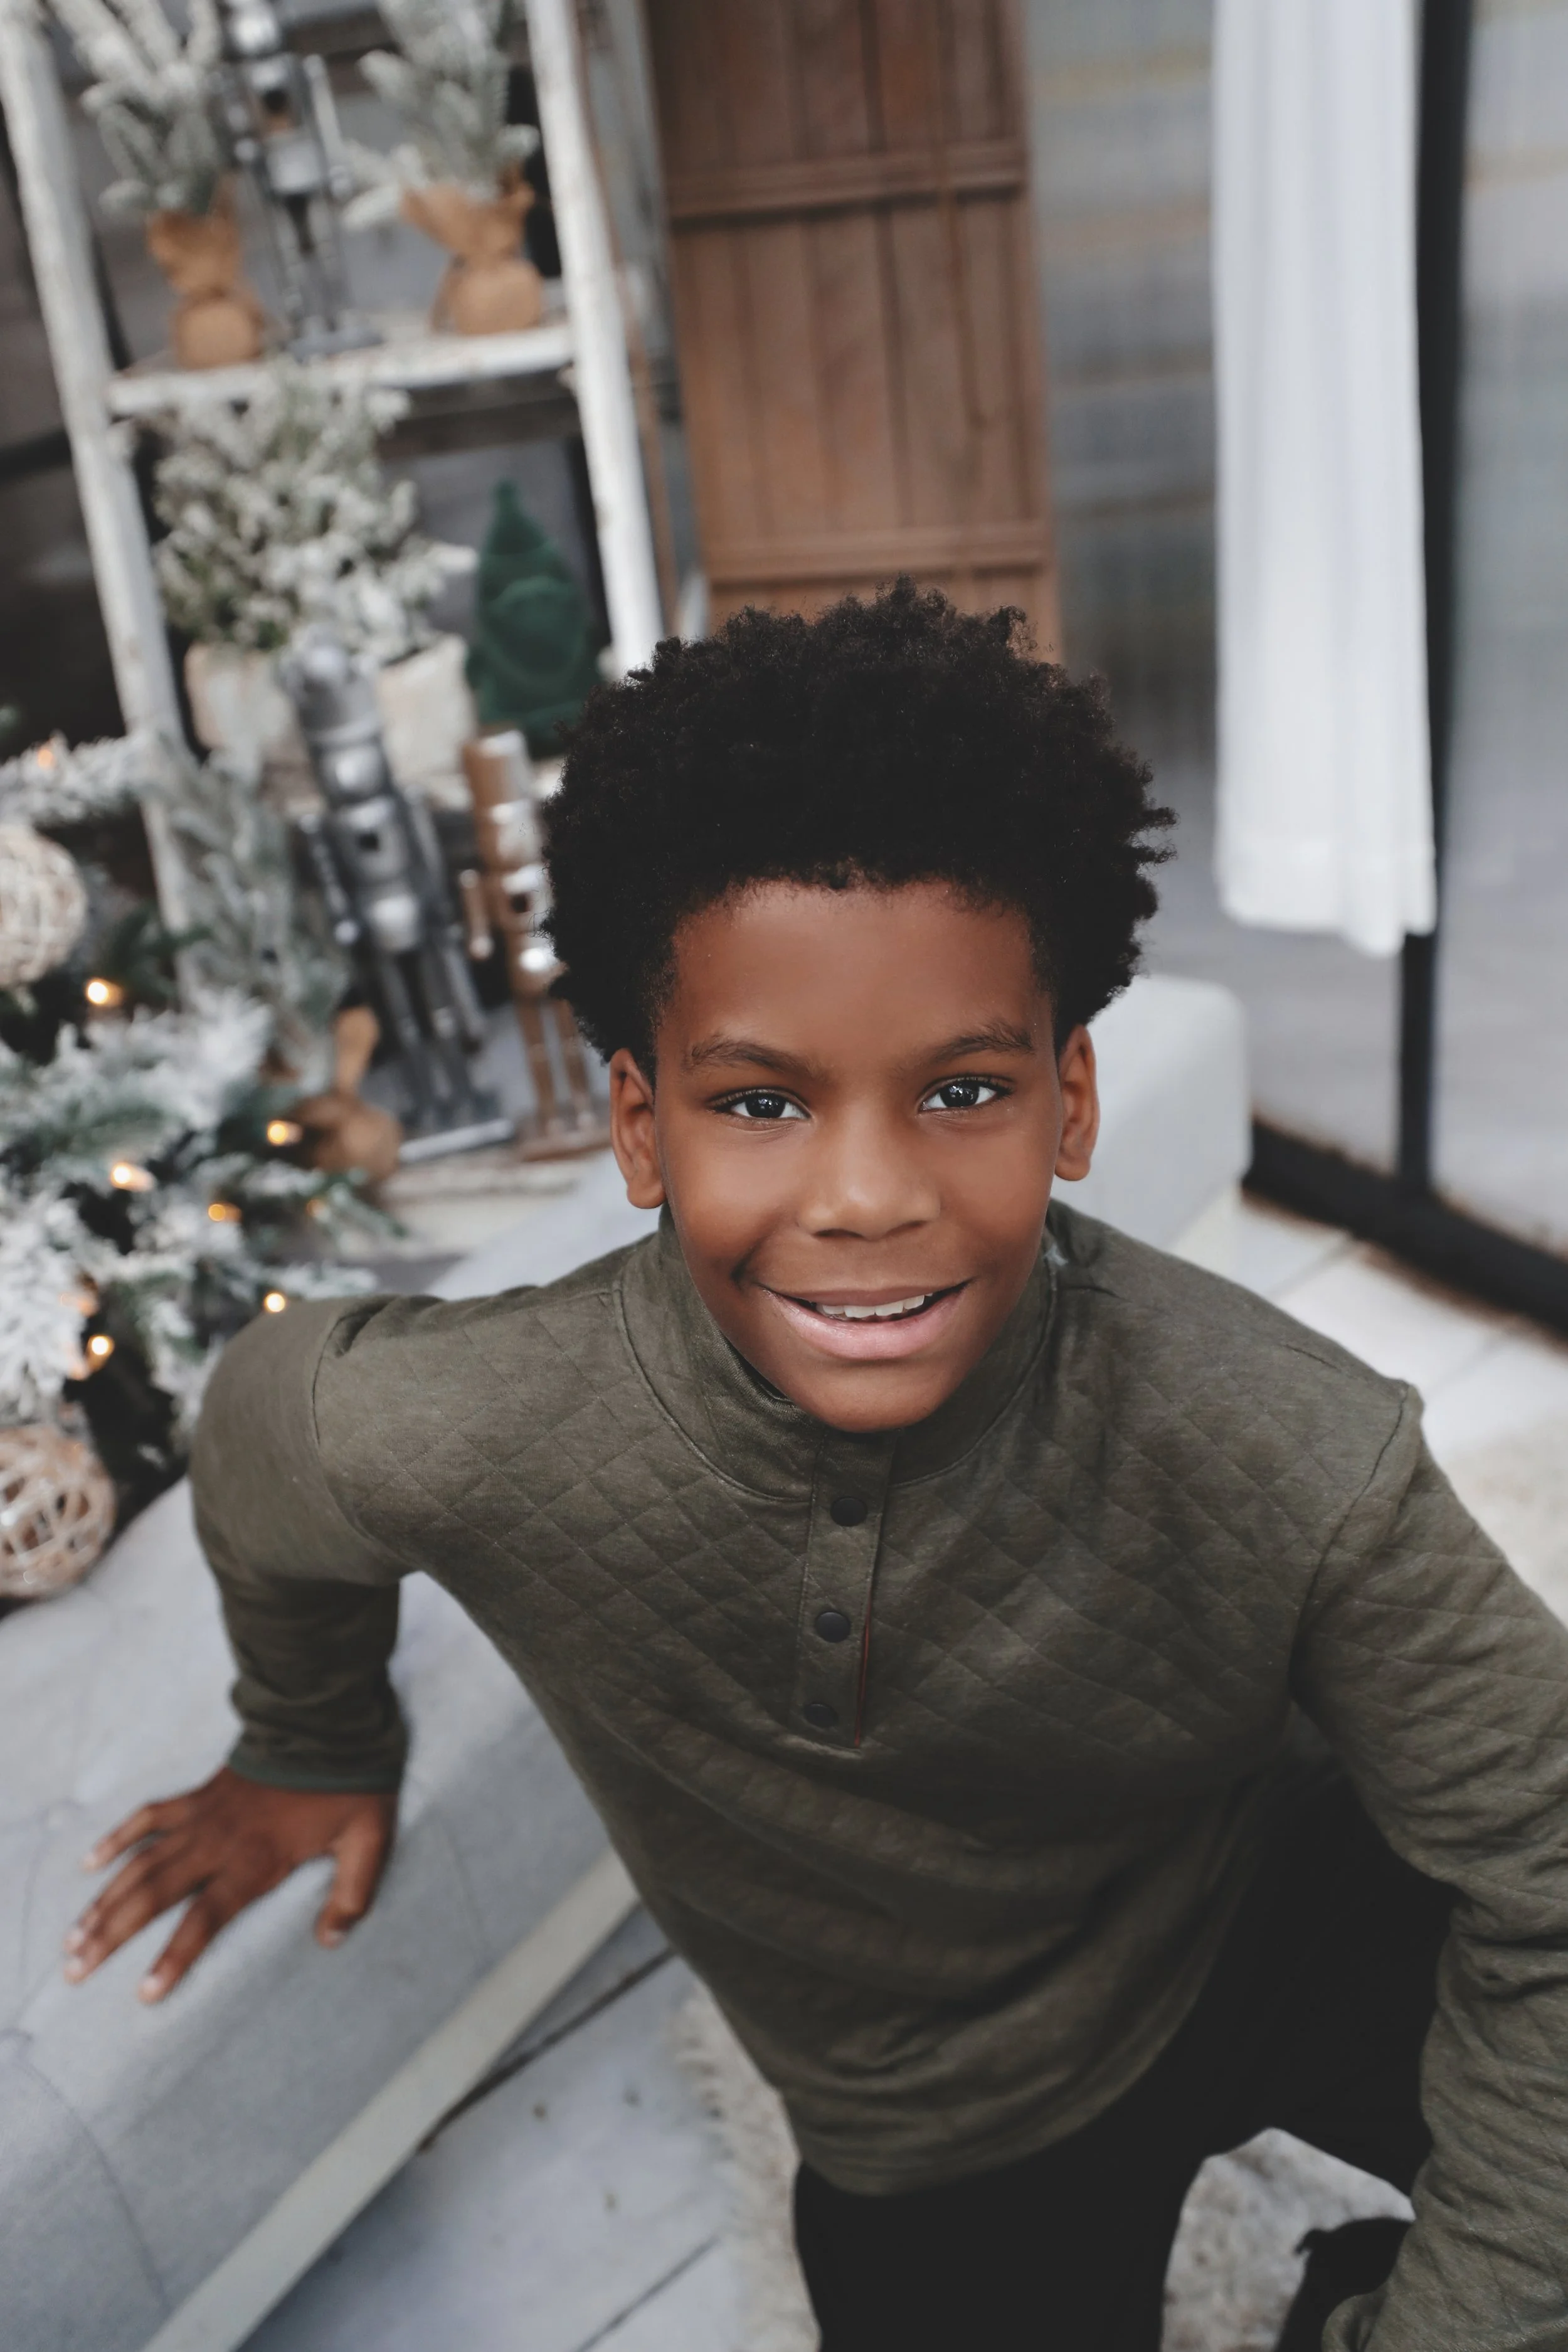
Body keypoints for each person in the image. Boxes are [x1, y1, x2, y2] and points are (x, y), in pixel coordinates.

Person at [63, 585, 1568, 2350]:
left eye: (961, 1091)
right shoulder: (479, 1417)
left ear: (1067, 1101)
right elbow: (261, 1424)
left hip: (1268, 1890)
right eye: (761, 1102)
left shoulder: (1291, 1443)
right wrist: (310, 1732)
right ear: (642, 1125)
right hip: (939, 2113)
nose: (865, 1194)